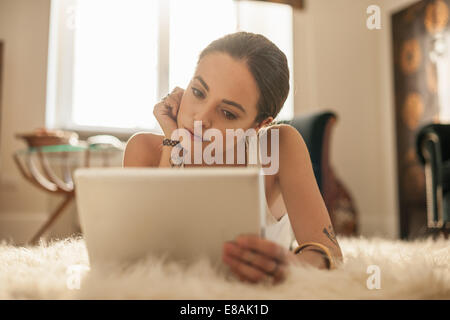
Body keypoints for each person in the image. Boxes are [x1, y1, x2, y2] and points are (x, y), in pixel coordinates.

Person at [123, 31, 343, 285]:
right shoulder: (145, 150)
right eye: (198, 92)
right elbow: (140, 256)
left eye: (227, 113)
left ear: (259, 124)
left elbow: (329, 252)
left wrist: (294, 266)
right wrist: (173, 145)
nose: (200, 119)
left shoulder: (278, 147)